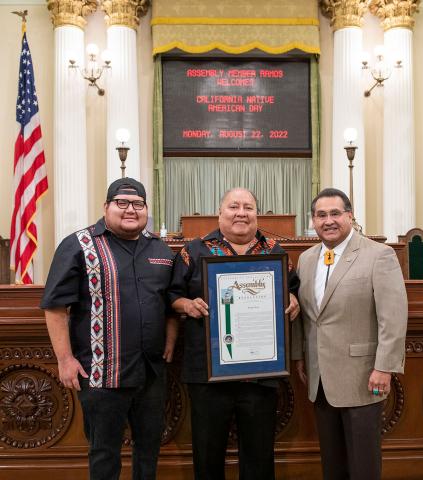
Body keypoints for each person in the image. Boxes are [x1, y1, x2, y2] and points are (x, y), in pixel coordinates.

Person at [40, 178, 178, 480]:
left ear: (146, 210)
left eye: (138, 204)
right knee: (104, 453)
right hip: (102, 373)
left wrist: (171, 333)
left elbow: (172, 300)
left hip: (151, 374)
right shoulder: (78, 245)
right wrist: (64, 360)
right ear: (106, 207)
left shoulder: (161, 250)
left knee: (149, 449)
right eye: (122, 203)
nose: (131, 210)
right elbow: (54, 307)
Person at [169, 187, 300, 480]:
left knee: (259, 453)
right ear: (220, 212)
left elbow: (292, 290)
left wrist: (294, 300)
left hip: (261, 371)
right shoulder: (194, 250)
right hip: (207, 372)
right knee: (207, 450)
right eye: (234, 206)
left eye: (248, 207)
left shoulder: (275, 251)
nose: (241, 213)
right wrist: (186, 304)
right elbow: (172, 295)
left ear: (257, 214)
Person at [292, 187, 408, 480]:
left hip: (362, 376)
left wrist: (384, 367)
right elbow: (305, 317)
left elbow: (392, 317)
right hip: (320, 378)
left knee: (363, 466)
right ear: (313, 221)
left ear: (350, 216)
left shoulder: (378, 255)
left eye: (335, 213)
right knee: (333, 465)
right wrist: (299, 357)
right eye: (321, 215)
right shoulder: (306, 259)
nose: (328, 221)